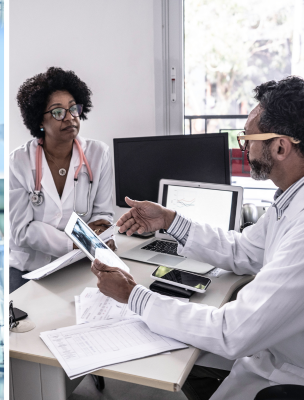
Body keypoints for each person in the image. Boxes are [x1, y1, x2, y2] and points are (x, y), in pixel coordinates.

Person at [91, 76, 304, 400]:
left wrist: (133, 295)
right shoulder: (288, 198)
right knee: (184, 356)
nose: (243, 146)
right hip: (271, 353)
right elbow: (244, 249)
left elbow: (230, 332)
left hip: (289, 374)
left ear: (280, 146)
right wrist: (169, 220)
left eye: (248, 138)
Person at [9, 67, 115, 293]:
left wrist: (97, 234)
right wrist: (78, 241)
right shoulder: (18, 161)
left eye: (73, 109)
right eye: (58, 112)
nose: (70, 118)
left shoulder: (98, 154)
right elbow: (21, 230)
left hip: (79, 263)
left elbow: (103, 216)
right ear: (39, 120)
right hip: (27, 267)